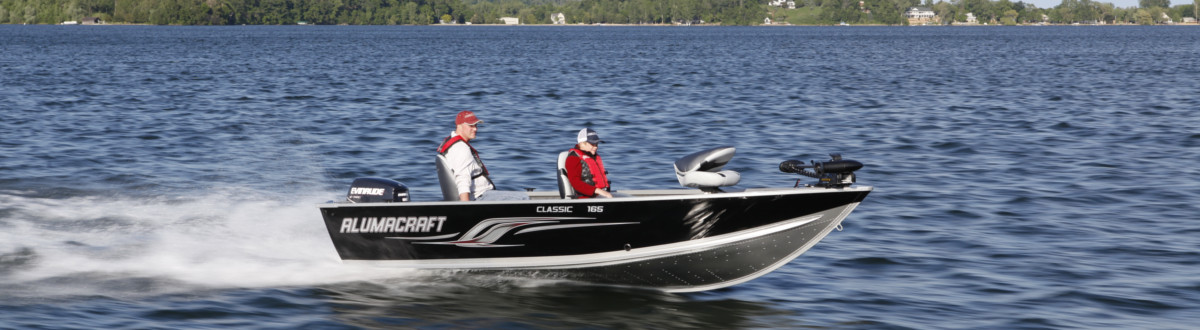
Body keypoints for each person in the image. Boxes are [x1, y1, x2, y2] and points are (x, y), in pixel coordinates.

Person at [436, 111, 528, 201]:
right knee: (524, 198)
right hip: (480, 196)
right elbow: (462, 179)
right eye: (471, 125)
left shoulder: (451, 142)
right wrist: (465, 207)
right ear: (459, 126)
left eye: (476, 125)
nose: (475, 129)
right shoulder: (461, 149)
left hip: (482, 194)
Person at [565, 128, 616, 198]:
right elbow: (576, 183)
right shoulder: (573, 158)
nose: (596, 147)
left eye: (597, 144)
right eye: (592, 144)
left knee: (626, 197)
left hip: (601, 195)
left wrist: (604, 192)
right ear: (582, 143)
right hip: (586, 198)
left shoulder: (593, 156)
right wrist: (598, 191)